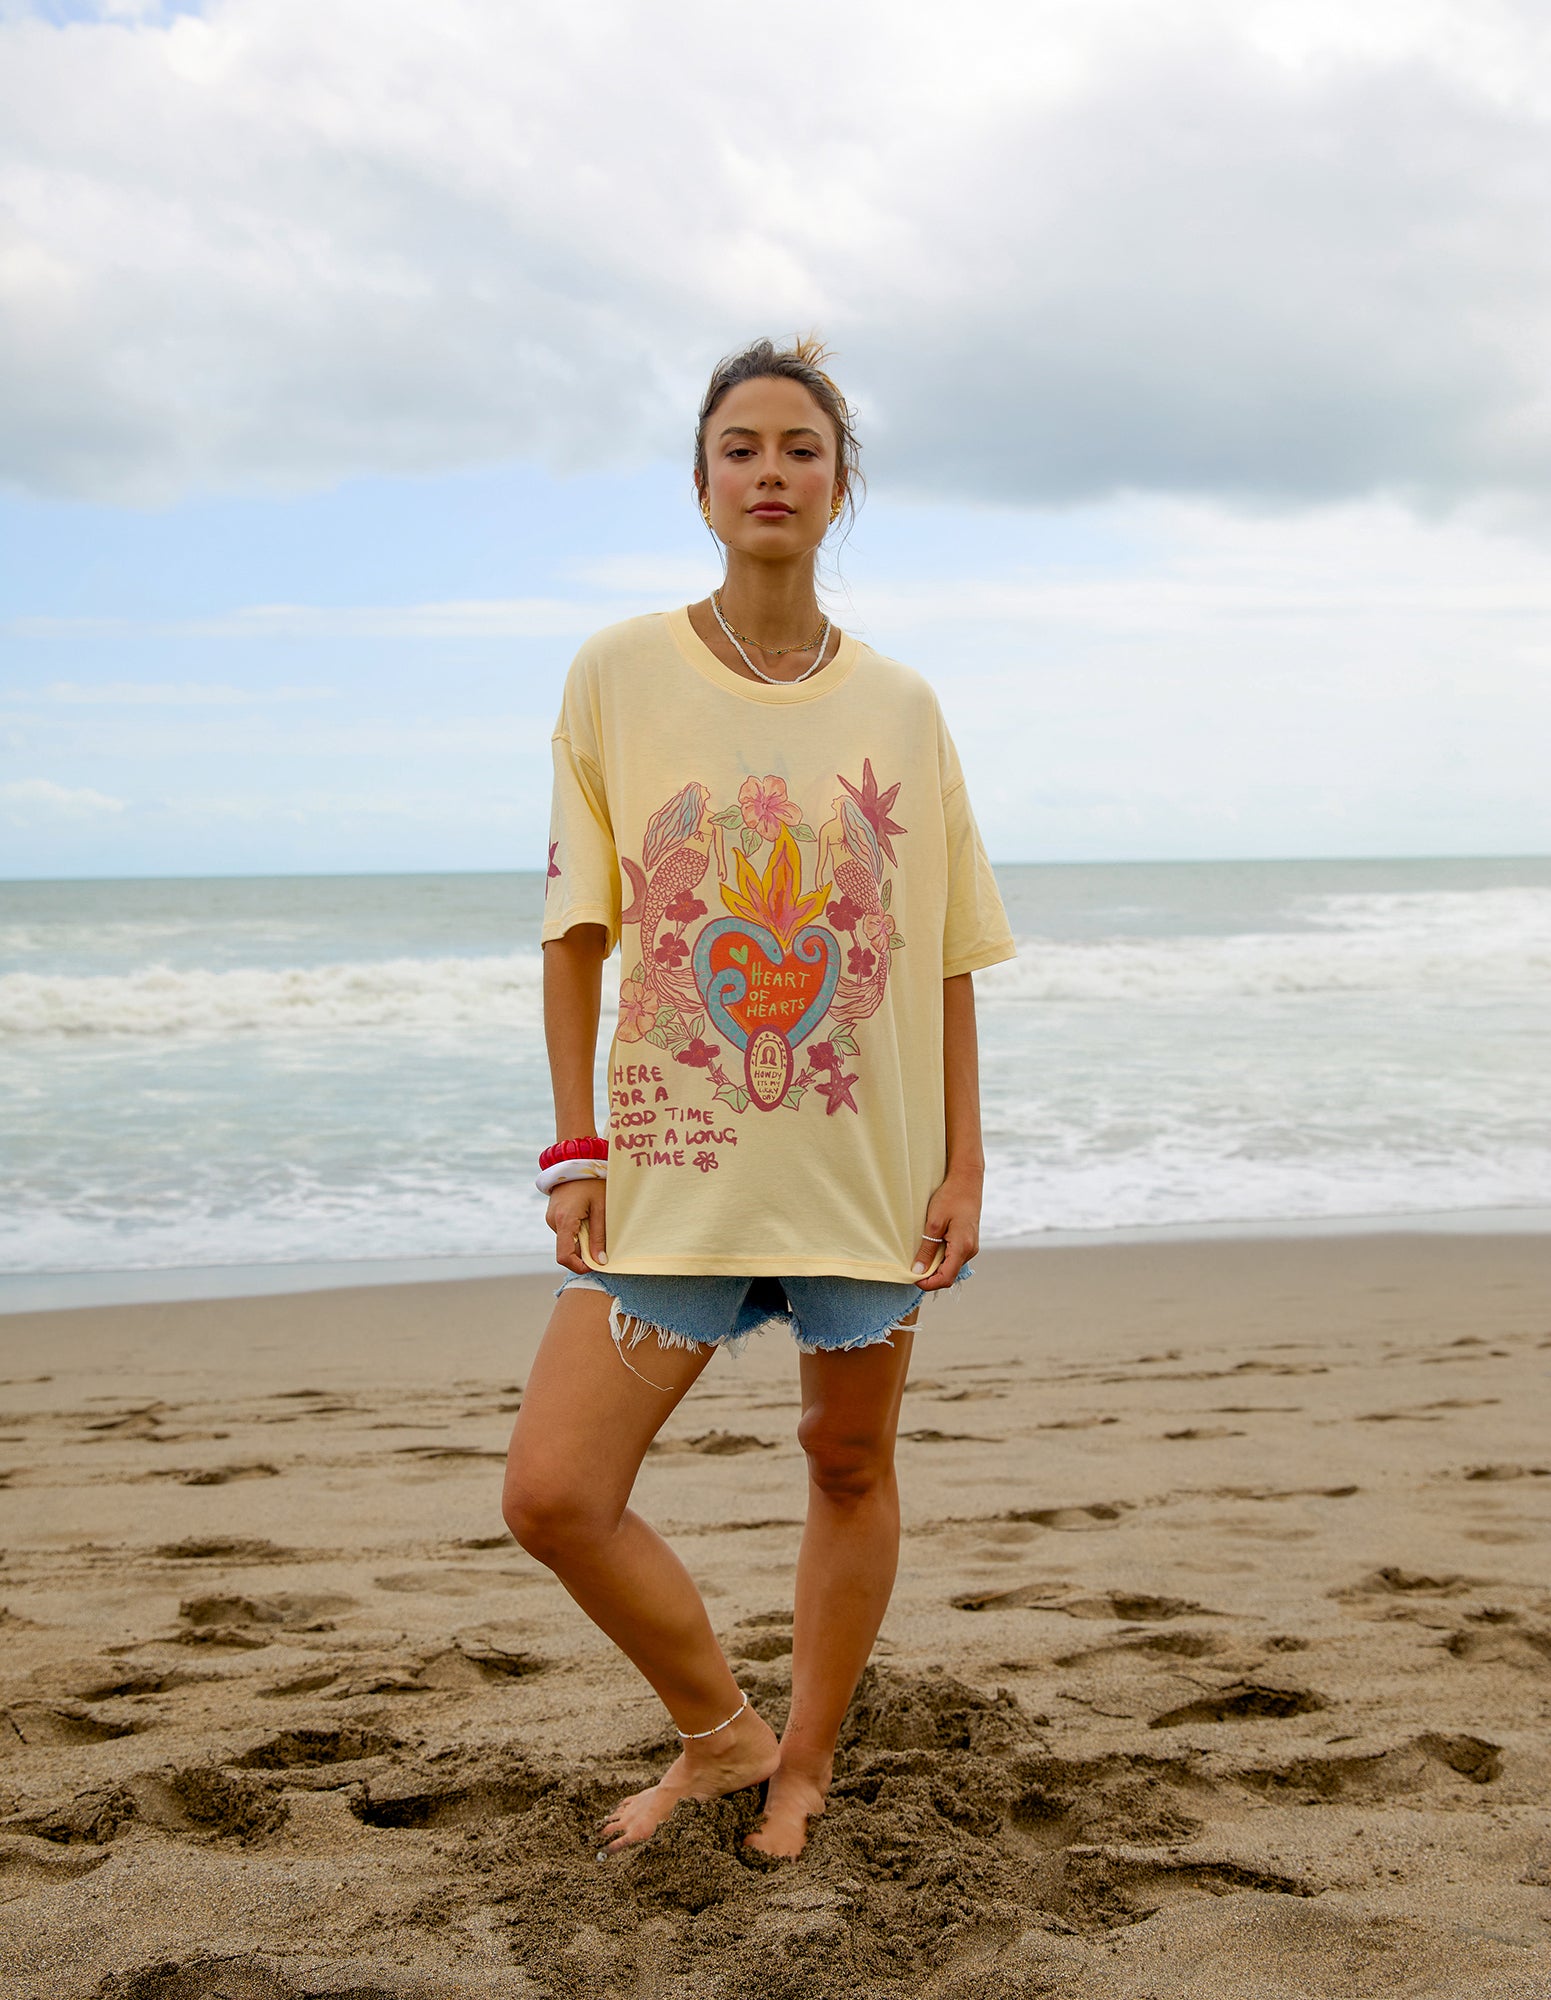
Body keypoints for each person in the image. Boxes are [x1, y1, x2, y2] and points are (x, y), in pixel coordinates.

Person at [502, 335, 1015, 1861]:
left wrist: (965, 1164)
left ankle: (806, 1765)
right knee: (554, 1493)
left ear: (841, 485)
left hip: (865, 1168)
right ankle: (721, 1733)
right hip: (678, 1164)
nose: (771, 472)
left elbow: (943, 954)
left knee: (848, 1462)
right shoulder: (617, 674)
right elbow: (574, 933)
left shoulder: (903, 705)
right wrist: (574, 1149)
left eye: (802, 448)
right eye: (742, 448)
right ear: (701, 483)